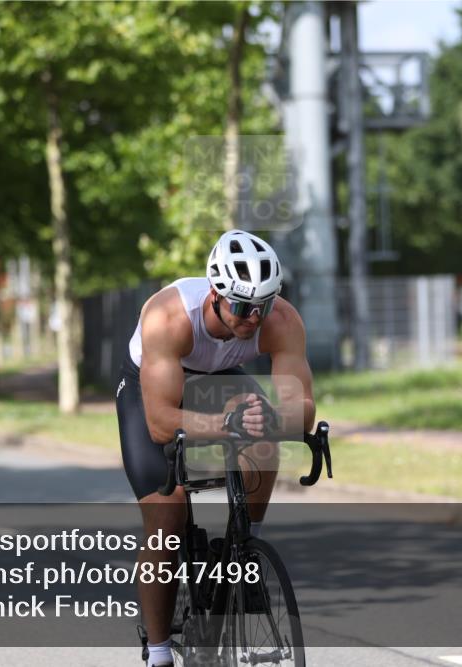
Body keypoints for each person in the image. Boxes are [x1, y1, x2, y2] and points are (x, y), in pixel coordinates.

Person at [116, 230, 316, 667]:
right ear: (215, 294)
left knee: (262, 435)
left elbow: (300, 407)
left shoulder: (280, 320)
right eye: (243, 307)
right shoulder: (168, 317)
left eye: (262, 307)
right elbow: (160, 423)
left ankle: (246, 549)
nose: (252, 319)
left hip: (216, 378)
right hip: (151, 391)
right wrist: (224, 424)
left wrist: (266, 421)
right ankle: (159, 651)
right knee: (167, 516)